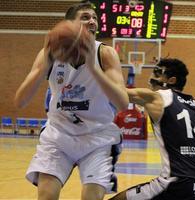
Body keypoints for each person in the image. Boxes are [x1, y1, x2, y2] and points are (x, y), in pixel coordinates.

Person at [14, 2, 129, 200]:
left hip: (97, 137)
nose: (92, 21)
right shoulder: (48, 54)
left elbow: (123, 104)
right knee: (46, 197)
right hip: (59, 135)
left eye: (94, 17)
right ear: (69, 25)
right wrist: (45, 65)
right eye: (85, 17)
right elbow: (20, 101)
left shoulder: (106, 54)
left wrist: (93, 67)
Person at [110, 58, 195, 200]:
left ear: (172, 80)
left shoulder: (157, 97)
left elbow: (113, 91)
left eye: (157, 73)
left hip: (179, 183)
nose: (151, 77)